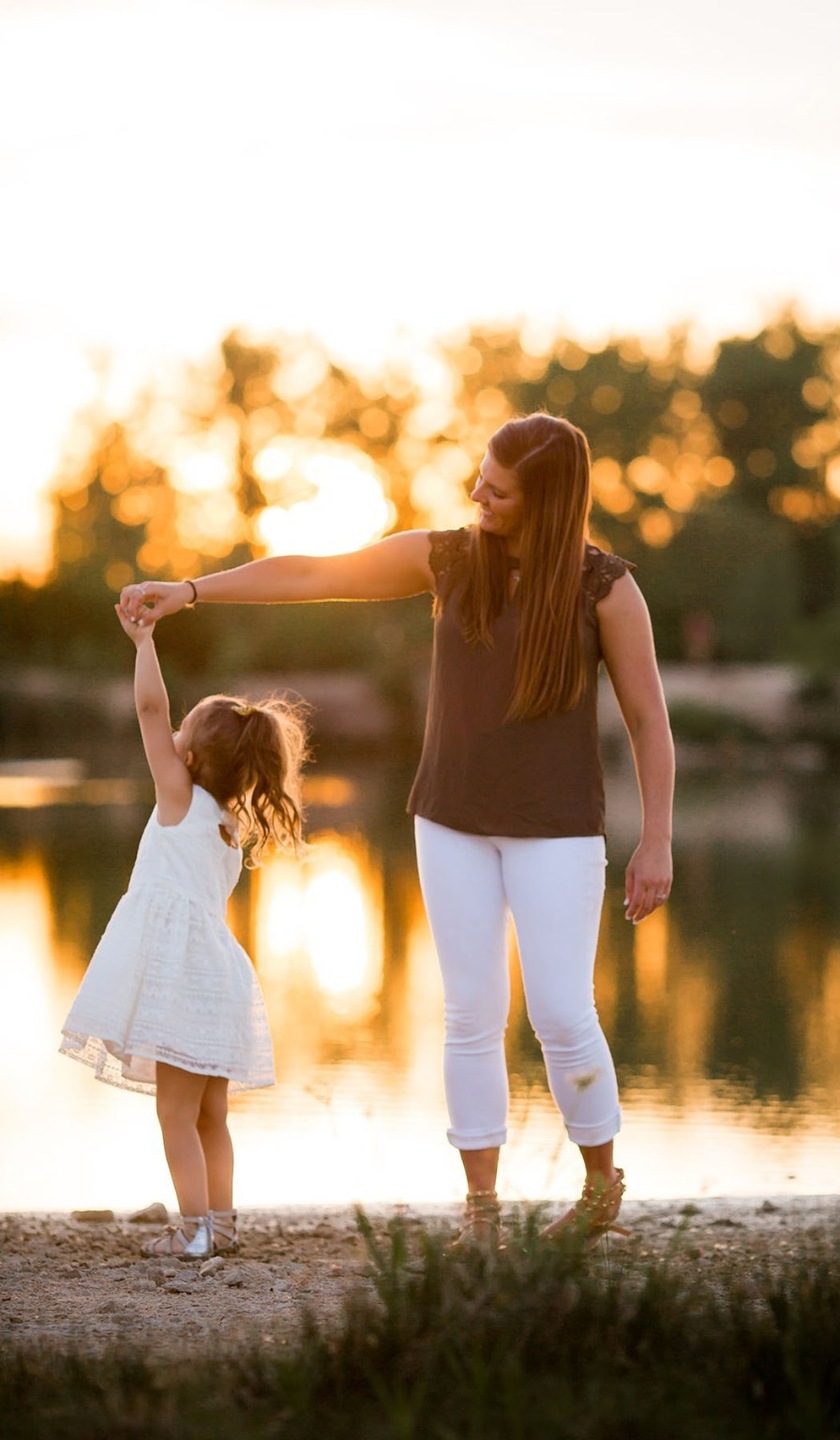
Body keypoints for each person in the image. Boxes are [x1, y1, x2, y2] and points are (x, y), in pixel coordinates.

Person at [120, 411, 675, 1248]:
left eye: (498, 490)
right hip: (449, 818)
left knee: (562, 1012)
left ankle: (601, 1188)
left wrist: (659, 838)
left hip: (557, 828)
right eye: (480, 479)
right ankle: (481, 1214)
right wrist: (194, 591)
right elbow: (313, 574)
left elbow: (647, 718)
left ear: (551, 501)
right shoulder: (447, 559)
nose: (477, 496)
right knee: (470, 1014)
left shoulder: (607, 589)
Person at [60, 605, 309, 1260]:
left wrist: (144, 642)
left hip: (182, 977)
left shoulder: (178, 796)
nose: (167, 735)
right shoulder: (228, 822)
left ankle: (194, 1232)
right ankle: (219, 1225)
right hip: (218, 978)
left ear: (190, 756)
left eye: (181, 731)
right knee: (210, 1115)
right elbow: (161, 722)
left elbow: (147, 711)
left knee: (175, 1114)